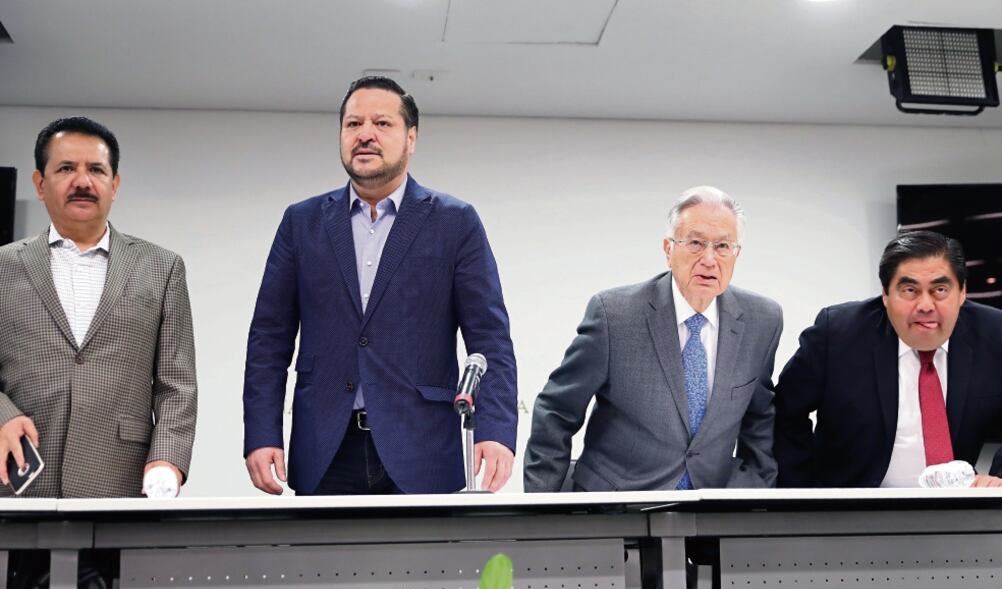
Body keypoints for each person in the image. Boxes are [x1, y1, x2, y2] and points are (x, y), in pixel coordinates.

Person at [243, 76, 517, 495]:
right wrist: (262, 434)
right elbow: (268, 339)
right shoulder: (301, 223)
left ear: (411, 138)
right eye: (353, 124)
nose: (365, 134)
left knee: (429, 564)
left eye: (382, 124)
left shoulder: (455, 222)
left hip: (423, 449)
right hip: (325, 451)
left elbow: (490, 338)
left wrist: (495, 430)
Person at [523, 186, 783, 491]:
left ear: (736, 253)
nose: (710, 259)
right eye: (696, 243)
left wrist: (754, 489)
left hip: (711, 511)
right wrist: (546, 511)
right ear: (668, 249)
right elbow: (556, 410)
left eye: (723, 246)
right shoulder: (614, 316)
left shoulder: (762, 320)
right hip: (617, 507)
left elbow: (760, 418)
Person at [0, 117, 197, 498]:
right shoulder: (2, 267)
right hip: (18, 481)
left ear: (114, 184)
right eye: (66, 168)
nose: (83, 182)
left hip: (118, 479)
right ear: (40, 184)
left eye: (95, 169)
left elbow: (177, 385)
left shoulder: (163, 267)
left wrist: (167, 459)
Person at [774, 230, 1002, 488]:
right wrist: (800, 495)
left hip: (954, 508)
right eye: (909, 290)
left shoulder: (994, 334)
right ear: (885, 294)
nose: (925, 305)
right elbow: (785, 411)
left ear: (962, 292)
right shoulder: (838, 333)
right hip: (851, 505)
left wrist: (997, 481)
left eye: (940, 289)